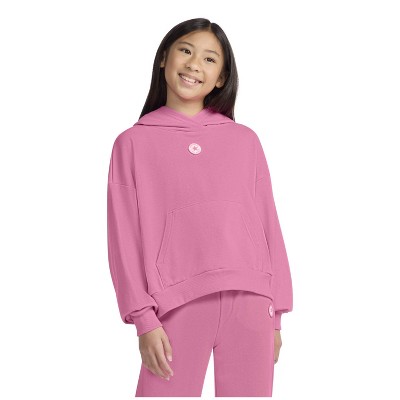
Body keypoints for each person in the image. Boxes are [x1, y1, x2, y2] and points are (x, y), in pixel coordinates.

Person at [107, 17, 293, 397]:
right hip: (175, 303)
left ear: (221, 77)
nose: (194, 65)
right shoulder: (133, 144)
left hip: (250, 299)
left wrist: (276, 315)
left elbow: (267, 224)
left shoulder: (244, 141)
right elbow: (123, 238)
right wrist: (143, 318)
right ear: (164, 57)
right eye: (186, 51)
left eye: (210, 59)